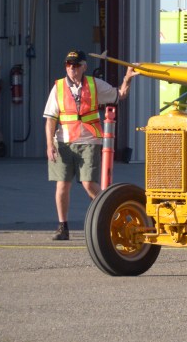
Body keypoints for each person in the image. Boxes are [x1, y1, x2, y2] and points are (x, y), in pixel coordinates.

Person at [44, 49, 137, 240]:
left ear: (84, 67)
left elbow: (120, 94)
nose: (72, 68)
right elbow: (51, 119)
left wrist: (128, 78)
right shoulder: (58, 87)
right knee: (62, 185)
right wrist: (49, 145)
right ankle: (63, 227)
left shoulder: (95, 85)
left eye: (76, 65)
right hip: (63, 142)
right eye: (69, 65)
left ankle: (113, 217)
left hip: (89, 141)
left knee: (89, 184)